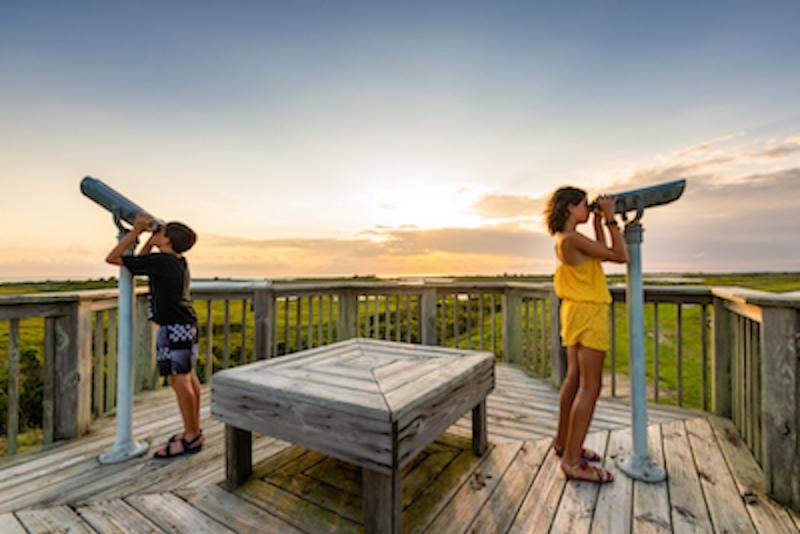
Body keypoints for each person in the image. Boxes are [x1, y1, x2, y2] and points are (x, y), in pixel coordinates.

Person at [544, 187, 627, 483]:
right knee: (590, 387)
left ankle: (565, 443)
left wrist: (596, 224)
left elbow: (599, 255)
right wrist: (610, 218)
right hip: (589, 313)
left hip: (574, 312)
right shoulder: (573, 239)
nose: (586, 208)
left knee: (575, 379)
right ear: (569, 208)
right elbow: (620, 256)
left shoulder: (565, 240)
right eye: (583, 205)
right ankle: (571, 462)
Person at [105, 213, 203, 458]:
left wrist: (137, 231)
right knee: (188, 378)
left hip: (173, 327)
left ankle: (191, 437)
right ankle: (194, 430)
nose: (156, 233)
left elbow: (113, 258)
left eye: (161, 232)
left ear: (167, 240)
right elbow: (141, 262)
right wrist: (151, 237)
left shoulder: (161, 261)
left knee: (180, 380)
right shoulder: (177, 260)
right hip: (185, 324)